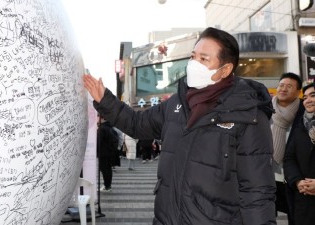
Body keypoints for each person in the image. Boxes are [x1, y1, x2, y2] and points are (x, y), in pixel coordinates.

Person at [84, 27, 276, 224]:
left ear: (225, 70)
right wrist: (105, 100)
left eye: (204, 59)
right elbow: (137, 123)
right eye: (193, 56)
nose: (194, 64)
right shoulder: (177, 103)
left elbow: (257, 190)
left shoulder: (249, 115)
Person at [271, 72, 302, 224]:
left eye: (289, 86)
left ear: (298, 91)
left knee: (296, 217)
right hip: (267, 175)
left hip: (295, 177)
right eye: (281, 85)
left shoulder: (305, 111)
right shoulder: (265, 109)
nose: (283, 89)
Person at [283, 81, 315, 225]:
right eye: (305, 97)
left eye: (313, 96)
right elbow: (289, 158)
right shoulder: (300, 126)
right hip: (304, 197)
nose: (308, 100)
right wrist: (297, 181)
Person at [97, 115, 117, 192]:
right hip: (109, 153)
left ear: (101, 118)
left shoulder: (102, 128)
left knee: (104, 169)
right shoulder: (110, 127)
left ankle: (107, 186)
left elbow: (99, 141)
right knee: (108, 169)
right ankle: (108, 185)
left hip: (103, 153)